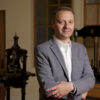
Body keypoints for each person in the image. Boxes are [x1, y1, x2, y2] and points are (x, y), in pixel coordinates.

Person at [34, 7, 95, 100]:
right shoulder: (42, 50)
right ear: (53, 24)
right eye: (61, 22)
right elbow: (49, 88)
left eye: (70, 22)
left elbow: (90, 79)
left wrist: (71, 86)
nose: (67, 26)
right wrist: (79, 91)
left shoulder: (81, 49)